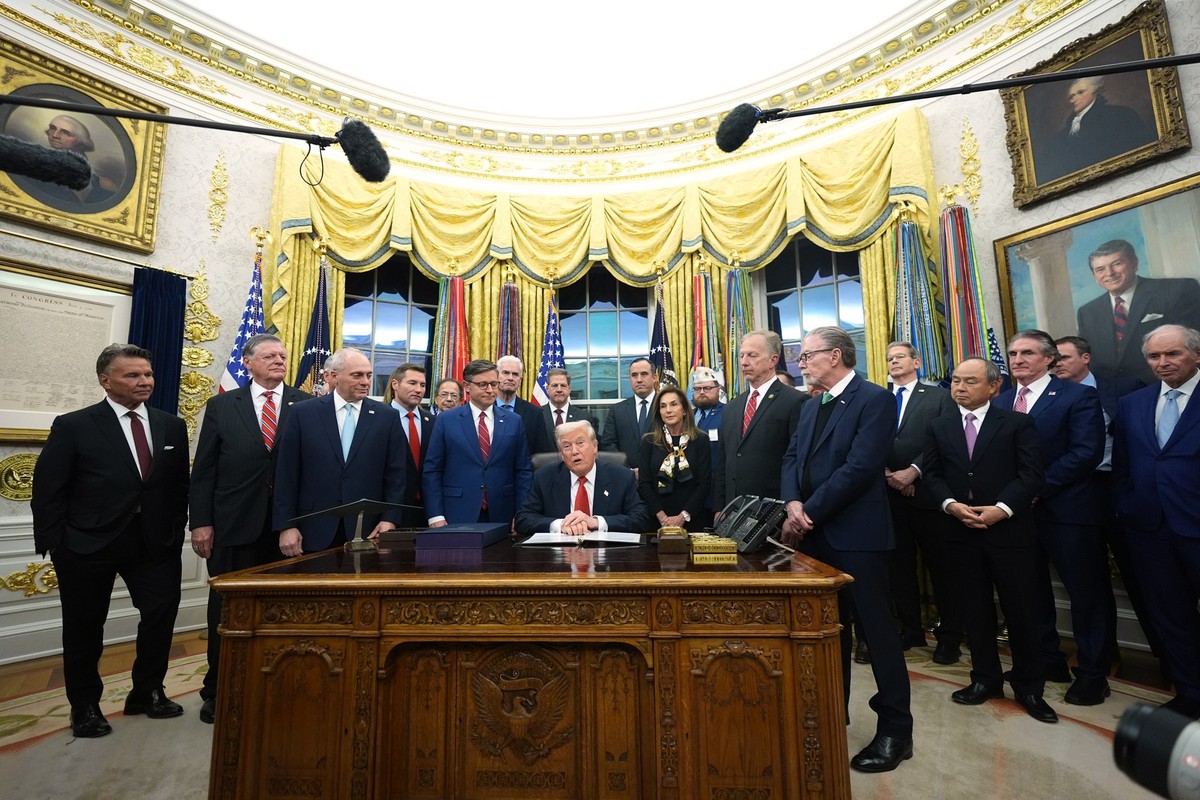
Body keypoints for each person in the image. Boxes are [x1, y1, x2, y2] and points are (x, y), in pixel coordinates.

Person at [31, 344, 190, 738]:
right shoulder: (74, 425)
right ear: (105, 380)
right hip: (87, 545)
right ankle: (84, 706)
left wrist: (174, 528)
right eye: (132, 375)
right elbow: (48, 489)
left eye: (148, 374)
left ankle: (147, 691)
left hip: (154, 544)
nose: (144, 382)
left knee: (160, 615)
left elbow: (177, 486)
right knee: (85, 628)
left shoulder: (171, 425)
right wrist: (58, 545)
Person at [780, 325, 911, 772]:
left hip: (857, 536)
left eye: (806, 356)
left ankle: (896, 731)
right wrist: (793, 503)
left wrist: (808, 511)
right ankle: (833, 717)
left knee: (877, 636)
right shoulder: (812, 403)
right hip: (815, 538)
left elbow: (860, 468)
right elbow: (792, 457)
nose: (801, 363)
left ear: (835, 356)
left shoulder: (875, 399)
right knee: (826, 635)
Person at [921, 357, 1054, 723]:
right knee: (974, 609)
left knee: (1021, 611)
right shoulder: (939, 425)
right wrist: (950, 505)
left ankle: (1029, 687)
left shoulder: (1017, 423)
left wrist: (1002, 508)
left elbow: (1031, 475)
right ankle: (985, 679)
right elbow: (931, 475)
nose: (959, 387)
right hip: (959, 532)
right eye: (955, 381)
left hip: (1009, 532)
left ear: (994, 387)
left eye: (970, 381)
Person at [189, 334, 310, 724]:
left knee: (285, 612)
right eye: (270, 355)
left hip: (288, 531)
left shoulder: (307, 406)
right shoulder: (223, 405)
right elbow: (205, 470)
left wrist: (294, 523)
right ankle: (218, 690)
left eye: (283, 355)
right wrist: (201, 523)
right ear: (248, 362)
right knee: (226, 613)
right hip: (232, 526)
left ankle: (278, 687)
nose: (279, 360)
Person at [995, 330, 1110, 705]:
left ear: (1049, 359)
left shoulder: (1079, 396)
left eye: (1027, 352)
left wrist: (1034, 490)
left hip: (1067, 512)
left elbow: (1085, 453)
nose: (1018, 359)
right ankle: (1048, 661)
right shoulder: (1004, 400)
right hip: (1016, 516)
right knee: (1031, 593)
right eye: (1013, 353)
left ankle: (1093, 674)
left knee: (1086, 595)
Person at [1054, 335, 1165, 668]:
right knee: (1088, 581)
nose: (1057, 363)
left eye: (1064, 357)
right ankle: (1102, 655)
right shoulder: (1051, 399)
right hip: (1076, 494)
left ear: (1085, 358)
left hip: (1120, 491)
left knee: (1145, 579)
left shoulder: (1124, 388)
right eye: (1053, 359)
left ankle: (1171, 659)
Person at [1113, 325, 1200, 719]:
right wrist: (1128, 506)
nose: (1162, 363)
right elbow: (1123, 466)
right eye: (1154, 357)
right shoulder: (1133, 402)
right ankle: (1191, 693)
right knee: (1171, 616)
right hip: (1149, 529)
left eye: (1173, 355)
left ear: (1196, 355)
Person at [272, 348, 407, 555]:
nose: (365, 381)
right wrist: (286, 526)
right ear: (334, 376)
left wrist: (390, 519)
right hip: (312, 529)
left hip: (369, 530)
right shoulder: (303, 413)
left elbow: (396, 475)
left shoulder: (386, 417)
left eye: (368, 375)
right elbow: (286, 474)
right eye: (357, 375)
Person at [882, 341, 962, 664]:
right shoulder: (880, 399)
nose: (893, 362)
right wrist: (888, 474)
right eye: (889, 358)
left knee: (942, 570)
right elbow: (869, 439)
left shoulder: (940, 396)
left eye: (900, 357)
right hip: (889, 496)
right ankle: (911, 629)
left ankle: (950, 638)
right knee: (899, 569)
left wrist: (912, 472)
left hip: (929, 496)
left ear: (916, 361)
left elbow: (945, 440)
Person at [1076, 239, 1200, 388]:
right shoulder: (1087, 312)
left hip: (1170, 388)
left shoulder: (1178, 290)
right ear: (1094, 276)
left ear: (1134, 263)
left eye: (1117, 264)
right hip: (1113, 399)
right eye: (1100, 269)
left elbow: (1193, 343)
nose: (1109, 273)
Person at [423, 359, 532, 526]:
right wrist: (436, 515)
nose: (490, 390)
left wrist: (521, 514)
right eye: (483, 384)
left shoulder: (514, 421)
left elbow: (523, 471)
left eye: (494, 384)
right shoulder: (446, 420)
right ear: (467, 386)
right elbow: (432, 470)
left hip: (503, 512)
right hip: (456, 512)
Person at [714, 330, 805, 511]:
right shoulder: (732, 407)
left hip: (773, 507)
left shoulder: (796, 401)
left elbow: (798, 462)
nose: (744, 362)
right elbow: (724, 461)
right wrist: (719, 508)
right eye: (741, 356)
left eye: (752, 355)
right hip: (733, 509)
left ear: (773, 360)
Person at [515, 420, 651, 535]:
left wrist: (596, 522)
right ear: (562, 454)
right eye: (567, 446)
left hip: (608, 558)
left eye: (580, 443)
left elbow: (641, 518)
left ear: (595, 447)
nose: (574, 451)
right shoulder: (545, 477)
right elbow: (523, 519)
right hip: (560, 559)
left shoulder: (621, 476)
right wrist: (560, 525)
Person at [1040, 77, 1154, 184]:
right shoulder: (1065, 131)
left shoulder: (1120, 115)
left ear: (1096, 91)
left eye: (1081, 92)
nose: (1074, 99)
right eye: (1071, 96)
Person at [637, 385, 712, 531]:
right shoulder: (649, 441)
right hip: (657, 521)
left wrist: (683, 516)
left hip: (692, 520)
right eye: (663, 406)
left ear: (684, 410)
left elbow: (704, 484)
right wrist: (662, 517)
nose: (668, 410)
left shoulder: (700, 440)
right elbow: (644, 484)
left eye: (673, 404)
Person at [383, 363, 434, 528]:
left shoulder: (433, 422)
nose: (419, 389)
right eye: (412, 383)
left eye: (423, 385)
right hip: (388, 512)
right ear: (395, 385)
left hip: (426, 512)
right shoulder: (378, 419)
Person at [601, 357, 657, 465]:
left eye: (644, 374)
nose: (639, 379)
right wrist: (627, 470)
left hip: (659, 476)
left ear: (654, 377)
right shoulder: (617, 411)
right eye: (634, 375)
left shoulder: (665, 407)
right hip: (626, 476)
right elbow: (608, 445)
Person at [495, 354, 550, 456]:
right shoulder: (485, 408)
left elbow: (542, 456)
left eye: (515, 374)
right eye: (506, 373)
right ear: (496, 376)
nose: (510, 378)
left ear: (520, 381)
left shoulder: (535, 413)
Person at [691, 366, 725, 522]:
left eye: (707, 388)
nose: (702, 392)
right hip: (689, 493)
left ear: (718, 389)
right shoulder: (686, 416)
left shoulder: (729, 413)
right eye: (697, 389)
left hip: (715, 493)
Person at [537, 367, 597, 453]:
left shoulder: (584, 417)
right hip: (544, 465)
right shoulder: (536, 414)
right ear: (547, 389)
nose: (559, 390)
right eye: (554, 385)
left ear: (569, 389)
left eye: (563, 385)